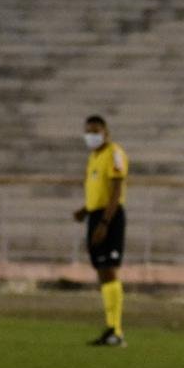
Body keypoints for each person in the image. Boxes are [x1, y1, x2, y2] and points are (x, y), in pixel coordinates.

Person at [71, 114, 129, 347]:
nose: (91, 136)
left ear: (106, 132)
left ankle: (117, 330)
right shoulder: (94, 157)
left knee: (110, 269)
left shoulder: (114, 153)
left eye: (95, 131)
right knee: (102, 271)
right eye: (88, 131)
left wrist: (105, 223)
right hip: (96, 215)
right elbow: (98, 191)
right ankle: (110, 328)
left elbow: (116, 190)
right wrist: (85, 211)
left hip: (110, 216)